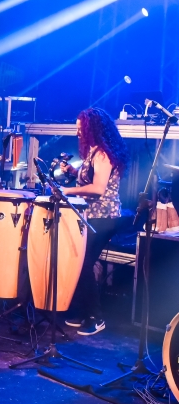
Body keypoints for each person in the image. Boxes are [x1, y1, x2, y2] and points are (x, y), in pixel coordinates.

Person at [62, 107, 129, 336]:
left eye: (81, 128)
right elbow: (89, 180)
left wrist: (66, 191)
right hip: (94, 216)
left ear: (93, 128)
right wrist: (73, 172)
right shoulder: (94, 151)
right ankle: (85, 313)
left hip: (104, 217)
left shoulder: (102, 154)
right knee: (80, 264)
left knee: (83, 264)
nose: (78, 132)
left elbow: (98, 189)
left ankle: (96, 318)